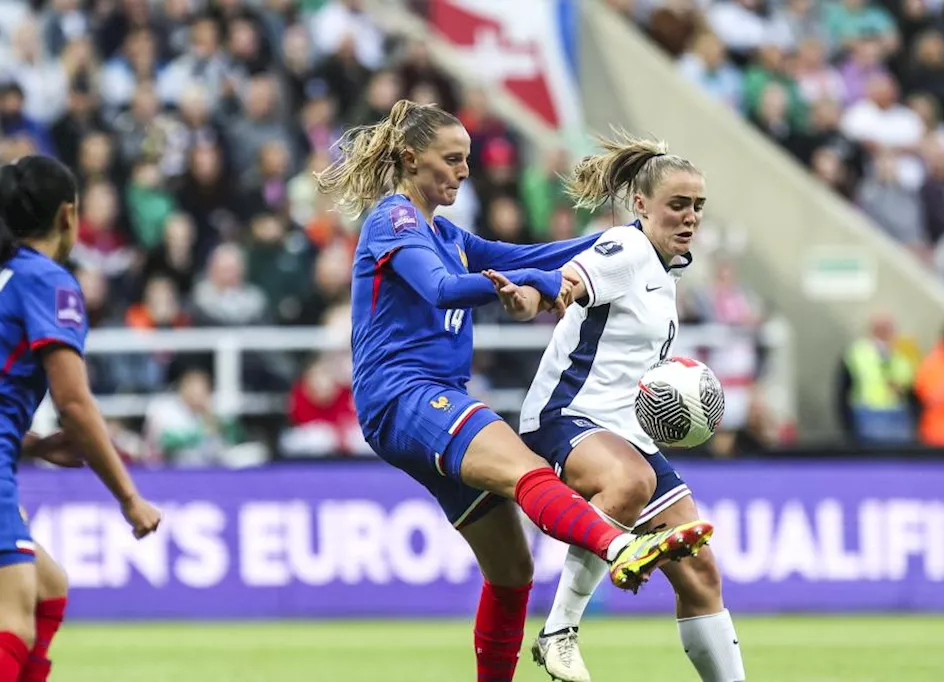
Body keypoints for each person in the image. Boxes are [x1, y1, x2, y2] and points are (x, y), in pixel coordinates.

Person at [317, 100, 714, 682]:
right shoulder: (394, 220)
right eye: (452, 160)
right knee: (527, 469)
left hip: (430, 400)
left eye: (467, 160)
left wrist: (633, 244)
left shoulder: (444, 232)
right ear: (410, 159)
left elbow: (529, 258)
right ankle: (617, 545)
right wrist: (518, 286)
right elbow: (442, 289)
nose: (464, 171)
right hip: (404, 395)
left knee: (511, 571)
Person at [0, 155, 162, 682]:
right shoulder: (47, 280)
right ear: (68, 215)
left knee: (48, 589)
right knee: (6, 630)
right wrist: (129, 498)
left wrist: (36, 446)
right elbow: (75, 402)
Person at [519, 134, 745, 682]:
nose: (690, 217)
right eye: (677, 204)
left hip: (624, 431)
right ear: (641, 205)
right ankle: (558, 633)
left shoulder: (665, 273)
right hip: (565, 416)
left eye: (697, 206)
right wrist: (547, 294)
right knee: (631, 481)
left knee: (700, 573)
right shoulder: (624, 250)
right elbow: (574, 280)